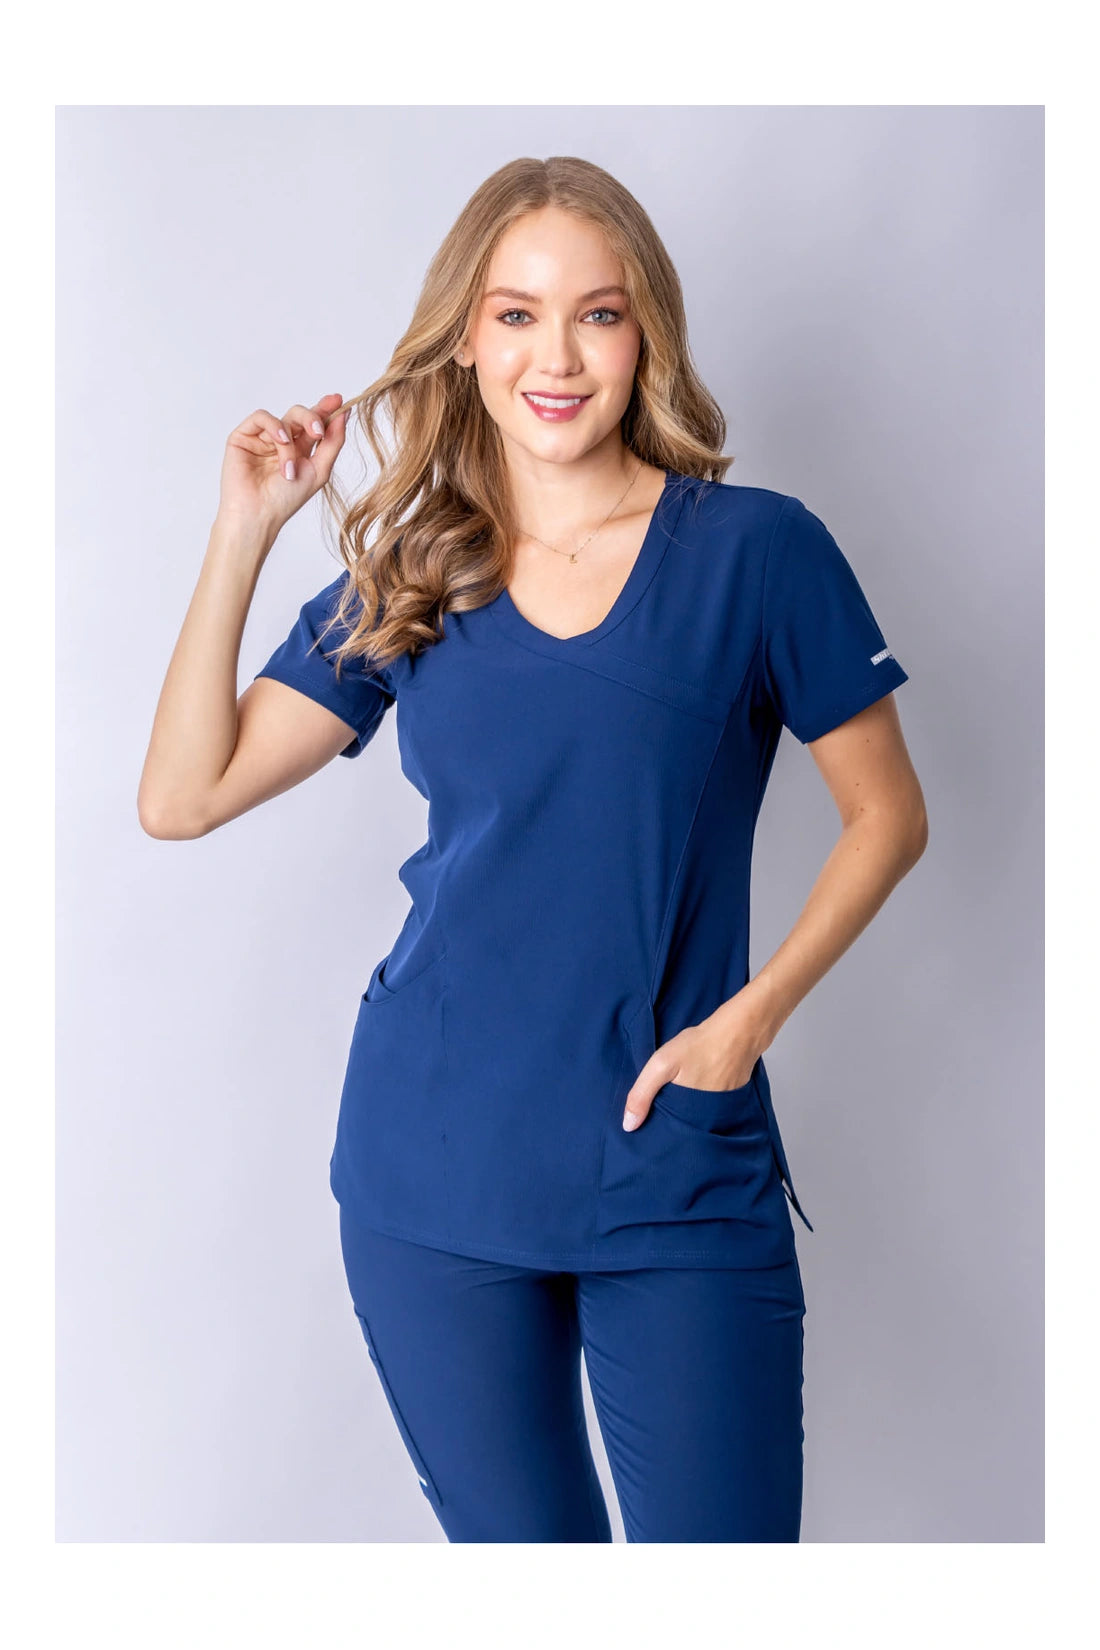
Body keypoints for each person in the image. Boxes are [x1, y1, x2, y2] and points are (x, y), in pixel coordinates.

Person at [138, 155, 928, 1543]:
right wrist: (244, 530)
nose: (555, 357)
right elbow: (182, 795)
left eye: (597, 314)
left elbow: (889, 814)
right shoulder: (417, 570)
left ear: (646, 335)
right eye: (516, 315)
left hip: (673, 1161)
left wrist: (748, 1021)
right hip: (433, 1166)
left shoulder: (757, 553)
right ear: (466, 337)